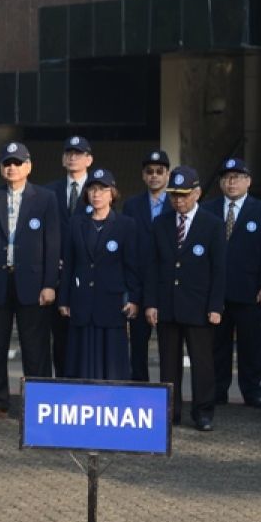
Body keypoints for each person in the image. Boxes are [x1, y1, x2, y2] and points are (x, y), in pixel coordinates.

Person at [0, 141, 60, 423]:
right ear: (1, 168)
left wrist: (50, 283)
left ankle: (39, 403)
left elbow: (52, 244)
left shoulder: (45, 199)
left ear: (29, 167)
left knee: (35, 347)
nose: (12, 168)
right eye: (7, 163)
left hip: (33, 285)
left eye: (17, 163)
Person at [145, 165, 225, 431]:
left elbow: (219, 269)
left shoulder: (212, 225)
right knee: (169, 363)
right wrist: (152, 303)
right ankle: (170, 411)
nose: (179, 201)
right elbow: (153, 266)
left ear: (198, 193)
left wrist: (215, 305)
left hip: (199, 306)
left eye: (184, 195)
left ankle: (203, 412)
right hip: (168, 305)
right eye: (174, 195)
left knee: (202, 362)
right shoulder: (161, 223)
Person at [201, 157, 261, 408]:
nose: (232, 182)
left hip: (250, 291)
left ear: (248, 181)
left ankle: (252, 391)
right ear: (221, 183)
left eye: (238, 177)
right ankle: (218, 390)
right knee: (217, 345)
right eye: (227, 178)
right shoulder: (207, 209)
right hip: (216, 292)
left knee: (250, 345)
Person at [58, 169, 140, 380]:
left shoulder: (126, 225)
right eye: (92, 190)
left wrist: (133, 298)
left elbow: (132, 265)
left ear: (112, 194)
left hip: (112, 302)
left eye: (102, 190)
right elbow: (69, 264)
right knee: (81, 356)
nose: (97, 194)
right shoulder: (76, 224)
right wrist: (64, 299)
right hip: (82, 300)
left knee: (112, 359)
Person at [45, 134, 94, 376]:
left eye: (78, 153)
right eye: (68, 153)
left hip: (87, 275)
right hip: (56, 275)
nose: (72, 157)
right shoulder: (48, 192)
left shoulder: (99, 190)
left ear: (89, 159)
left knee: (85, 334)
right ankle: (61, 385)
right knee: (59, 336)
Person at [123, 148, 171, 381]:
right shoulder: (131, 205)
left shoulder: (177, 203)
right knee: (138, 346)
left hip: (168, 285)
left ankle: (167, 393)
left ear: (167, 175)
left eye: (159, 171)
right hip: (139, 285)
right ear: (143, 175)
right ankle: (139, 388)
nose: (154, 176)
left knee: (168, 347)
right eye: (149, 171)